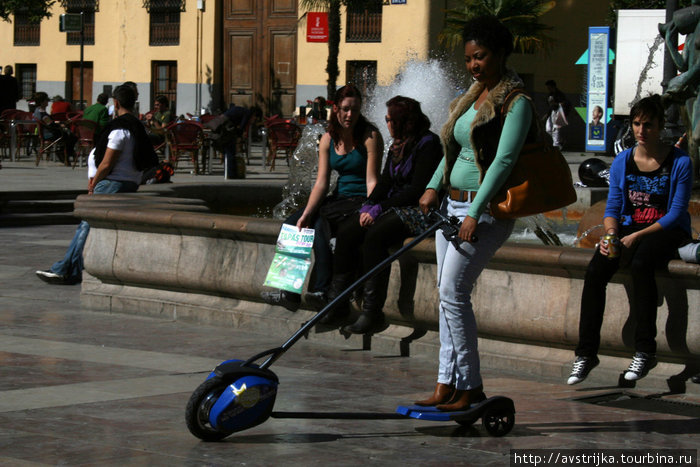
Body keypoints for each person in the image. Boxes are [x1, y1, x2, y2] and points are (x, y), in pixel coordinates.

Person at [415, 15, 536, 411]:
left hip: (482, 212)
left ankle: (470, 385)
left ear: (500, 53)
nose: (473, 65)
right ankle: (445, 382)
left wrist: (475, 212)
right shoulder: (472, 96)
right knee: (446, 295)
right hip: (451, 206)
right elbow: (453, 147)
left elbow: (502, 162)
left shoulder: (516, 103)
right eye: (468, 59)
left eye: (480, 57)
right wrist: (434, 185)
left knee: (454, 292)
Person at [567, 95, 693, 385]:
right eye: (636, 124)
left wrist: (637, 235)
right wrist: (611, 233)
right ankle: (586, 353)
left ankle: (645, 350)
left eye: (648, 125)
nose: (641, 130)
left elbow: (675, 213)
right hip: (628, 229)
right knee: (596, 271)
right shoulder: (624, 160)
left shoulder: (679, 161)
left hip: (665, 231)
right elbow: (613, 207)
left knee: (641, 263)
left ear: (660, 126)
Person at [262, 84, 382, 312]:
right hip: (338, 200)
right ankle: (289, 292)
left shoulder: (370, 136)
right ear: (335, 108)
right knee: (293, 223)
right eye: (345, 109)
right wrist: (306, 212)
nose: (350, 115)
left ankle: (321, 289)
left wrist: (370, 208)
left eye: (355, 110)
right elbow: (321, 182)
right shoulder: (328, 138)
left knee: (318, 225)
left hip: (359, 201)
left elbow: (372, 181)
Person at [329, 96, 442, 333]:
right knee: (349, 229)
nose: (387, 124)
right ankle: (337, 303)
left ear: (404, 121)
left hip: (419, 210)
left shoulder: (428, 143)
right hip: (395, 205)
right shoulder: (398, 144)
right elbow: (386, 181)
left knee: (376, 233)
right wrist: (369, 204)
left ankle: (373, 312)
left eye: (390, 119)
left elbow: (416, 189)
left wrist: (382, 208)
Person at [35, 84, 157, 285]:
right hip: (129, 182)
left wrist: (95, 182)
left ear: (115, 103)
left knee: (85, 225)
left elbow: (108, 162)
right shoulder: (137, 127)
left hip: (112, 183)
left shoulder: (120, 129)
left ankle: (66, 269)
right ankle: (78, 267)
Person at [33, 91, 78, 164]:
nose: (48, 101)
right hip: (50, 134)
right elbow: (50, 124)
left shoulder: (37, 110)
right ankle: (63, 152)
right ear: (42, 102)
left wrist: (60, 123)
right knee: (73, 137)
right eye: (46, 100)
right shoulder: (42, 113)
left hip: (45, 132)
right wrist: (61, 125)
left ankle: (64, 152)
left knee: (70, 136)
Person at [544, 79, 571, 149]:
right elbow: (550, 105)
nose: (548, 89)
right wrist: (547, 114)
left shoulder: (560, 94)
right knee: (548, 129)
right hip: (552, 112)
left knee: (556, 129)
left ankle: (556, 144)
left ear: (553, 86)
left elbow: (564, 103)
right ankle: (560, 141)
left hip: (559, 112)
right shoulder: (550, 94)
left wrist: (556, 104)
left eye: (549, 87)